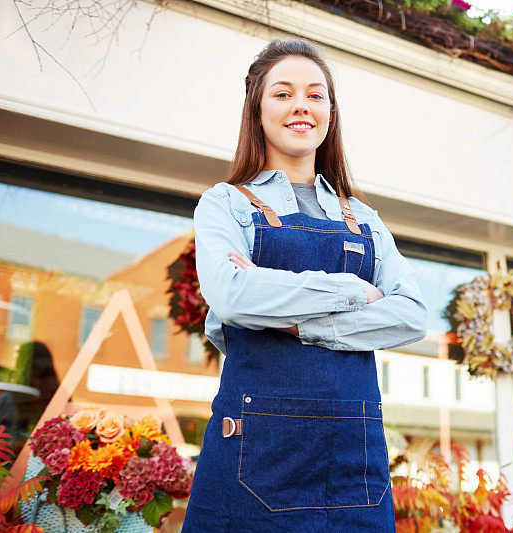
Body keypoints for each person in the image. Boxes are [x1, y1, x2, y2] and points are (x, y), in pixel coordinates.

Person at [182, 38, 427, 532]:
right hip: (253, 455)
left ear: (330, 113)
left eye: (316, 95)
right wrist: (352, 290)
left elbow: (412, 315)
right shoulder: (226, 204)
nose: (301, 106)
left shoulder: (363, 217)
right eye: (283, 93)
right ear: (257, 110)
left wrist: (298, 323)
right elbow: (231, 294)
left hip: (351, 462)